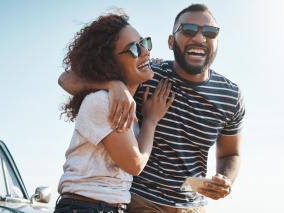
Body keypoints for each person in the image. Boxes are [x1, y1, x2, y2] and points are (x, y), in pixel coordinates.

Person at [58, 4, 245, 213]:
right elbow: (67, 79)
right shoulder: (145, 74)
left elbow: (231, 153)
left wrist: (226, 179)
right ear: (170, 41)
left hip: (193, 206)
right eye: (189, 30)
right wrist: (114, 85)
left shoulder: (231, 96)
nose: (200, 38)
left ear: (218, 41)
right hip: (139, 202)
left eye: (210, 32)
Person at [55, 13, 174, 213]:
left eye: (144, 43)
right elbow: (134, 164)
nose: (145, 52)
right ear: (110, 62)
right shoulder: (103, 101)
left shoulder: (121, 101)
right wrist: (151, 120)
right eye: (134, 49)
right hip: (88, 206)